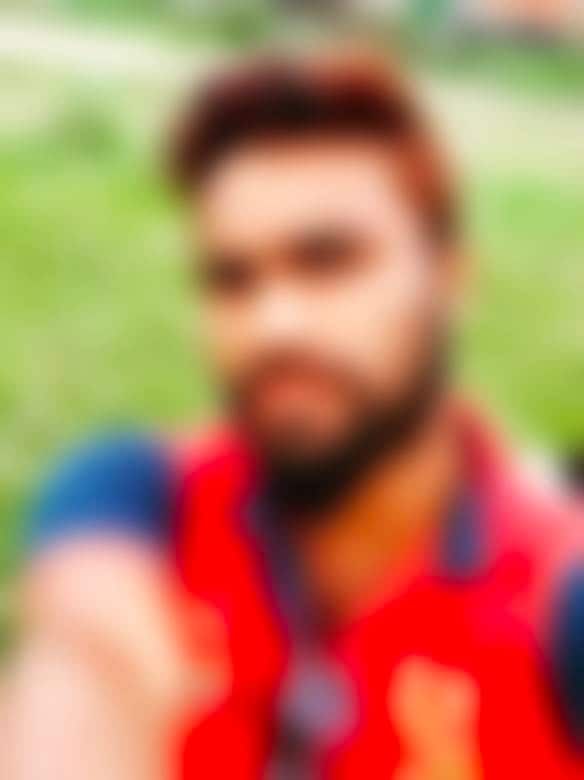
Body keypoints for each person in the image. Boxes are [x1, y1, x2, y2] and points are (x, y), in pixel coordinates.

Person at [4, 49, 584, 779]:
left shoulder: (557, 597)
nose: (274, 325)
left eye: (328, 261)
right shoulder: (139, 497)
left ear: (450, 280)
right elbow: (88, 660)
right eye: (231, 279)